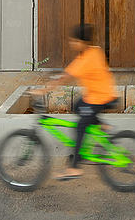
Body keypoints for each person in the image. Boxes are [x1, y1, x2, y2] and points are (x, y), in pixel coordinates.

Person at [30, 23, 117, 180]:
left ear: (83, 42)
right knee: (76, 105)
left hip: (100, 98)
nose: (72, 44)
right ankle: (100, 124)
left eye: (74, 41)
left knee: (80, 127)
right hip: (96, 96)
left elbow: (64, 78)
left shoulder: (87, 59)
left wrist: (42, 91)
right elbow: (67, 72)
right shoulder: (91, 52)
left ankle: (74, 168)